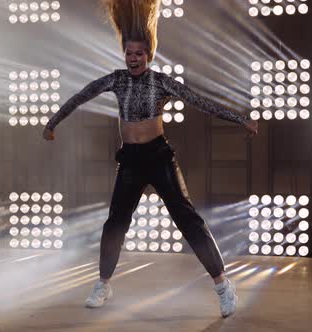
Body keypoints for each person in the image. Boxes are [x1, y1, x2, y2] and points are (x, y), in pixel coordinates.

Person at [43, 0, 258, 318]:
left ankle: (224, 286)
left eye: (139, 54)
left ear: (148, 55)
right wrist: (53, 122)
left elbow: (202, 102)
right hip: (130, 161)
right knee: (115, 223)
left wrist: (239, 120)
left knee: (189, 221)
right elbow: (81, 96)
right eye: (129, 53)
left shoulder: (161, 82)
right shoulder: (115, 79)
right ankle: (103, 284)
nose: (133, 59)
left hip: (159, 158)